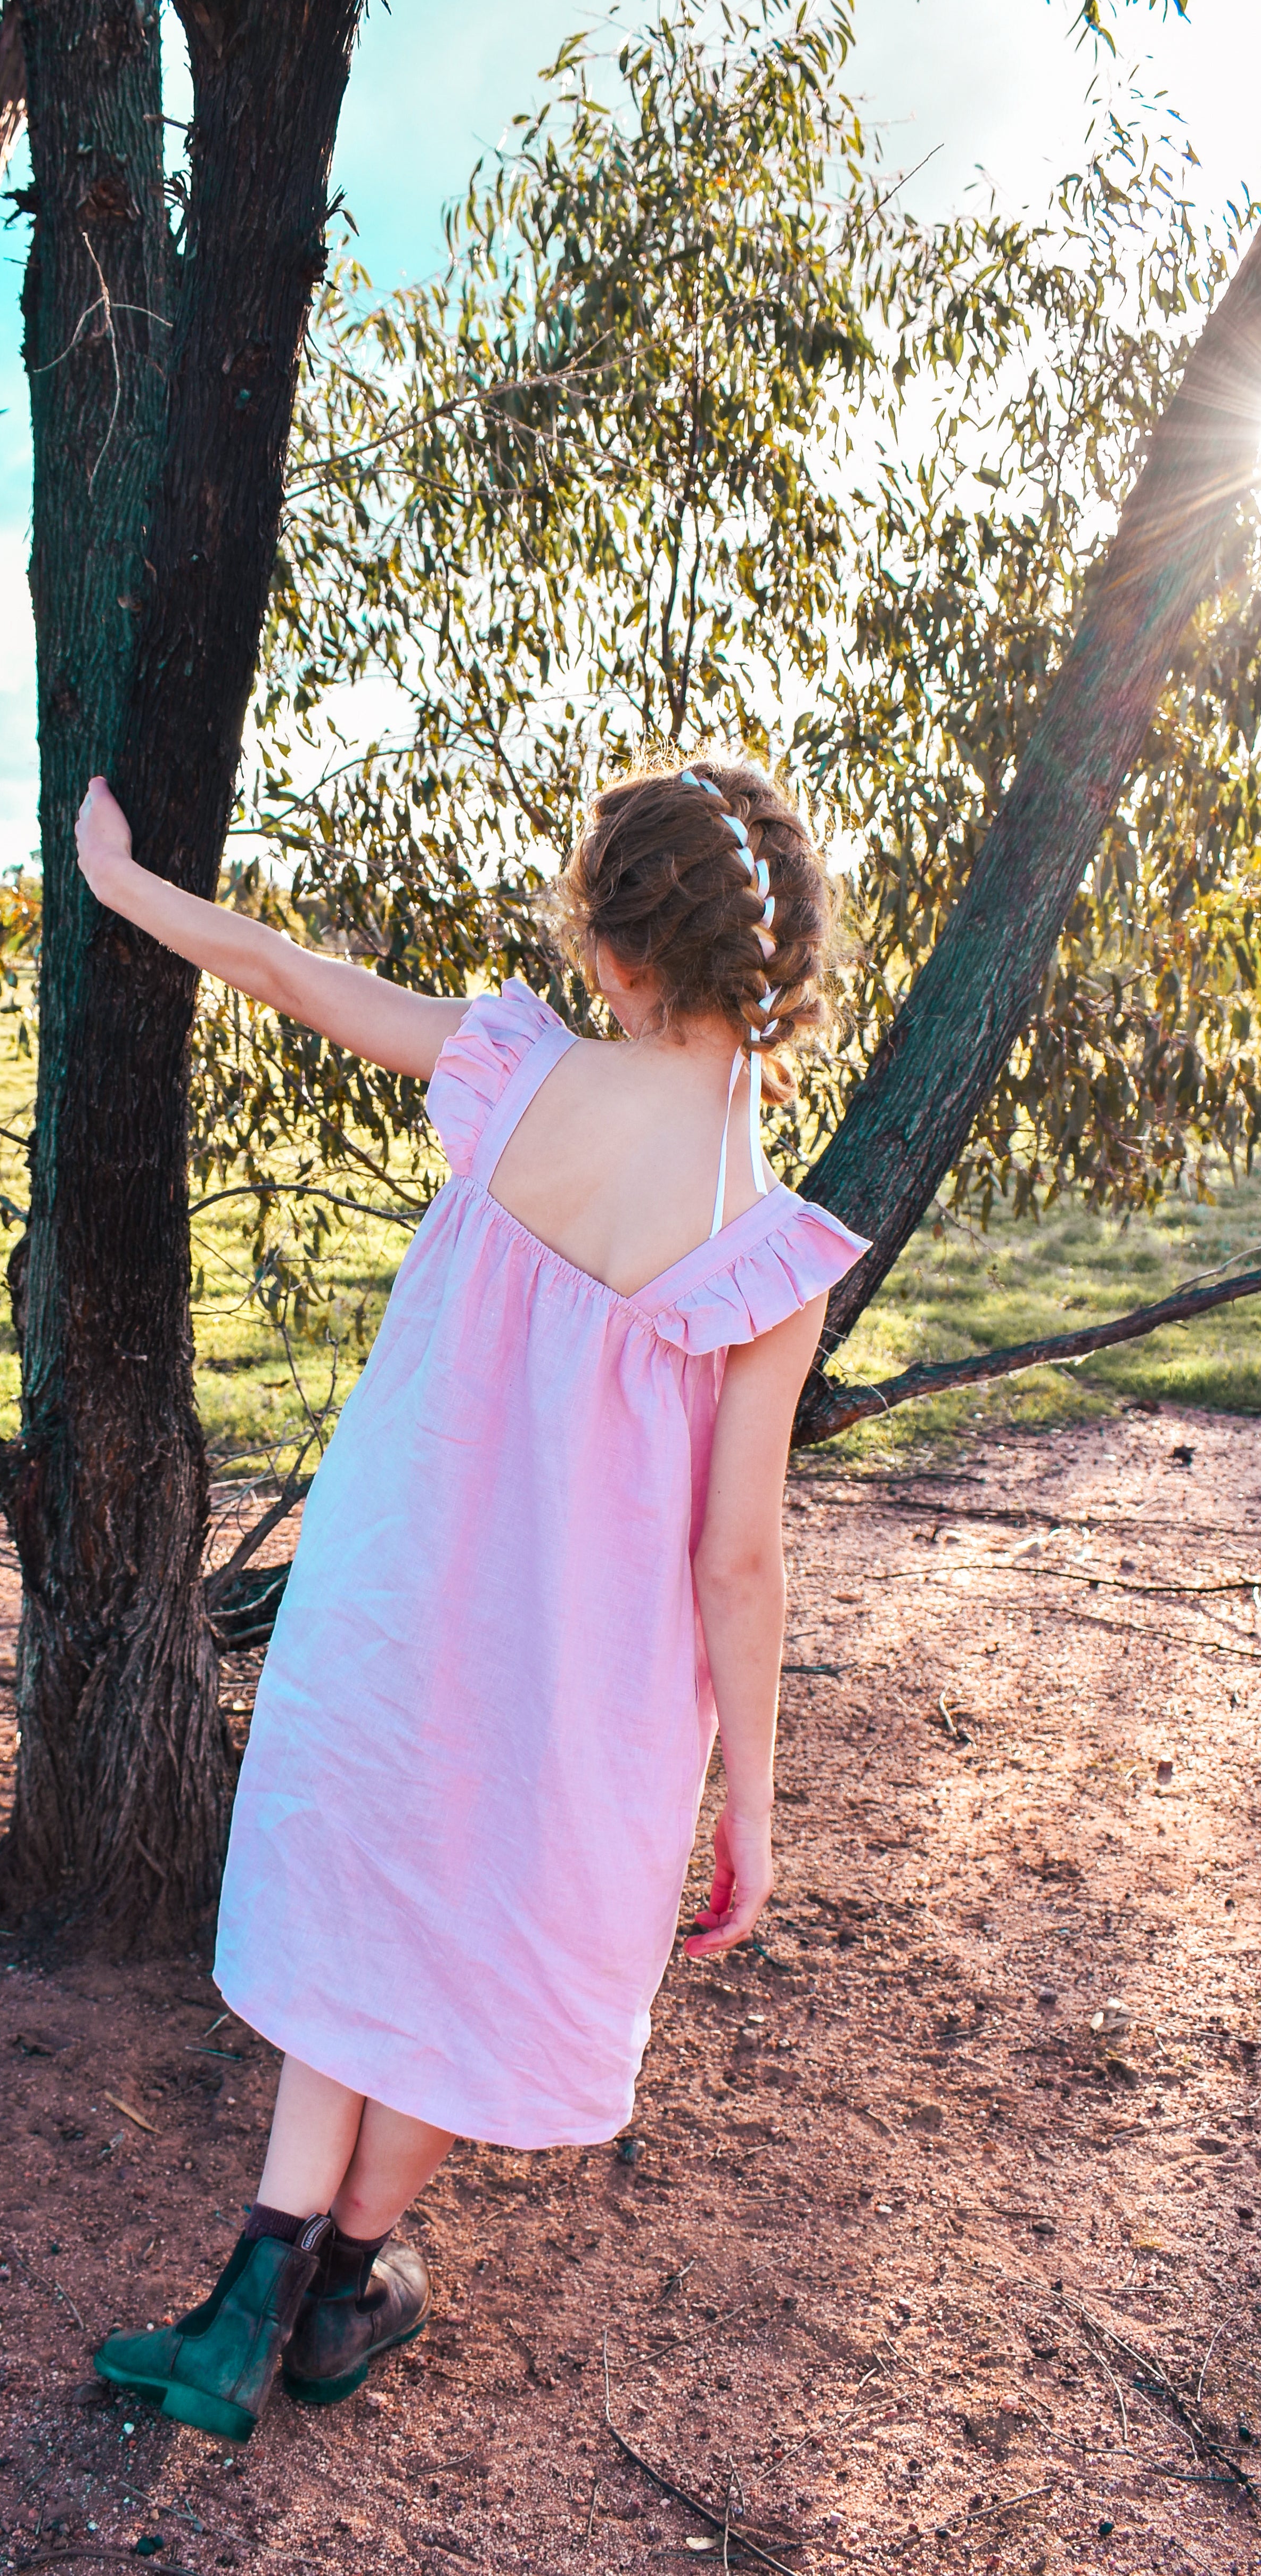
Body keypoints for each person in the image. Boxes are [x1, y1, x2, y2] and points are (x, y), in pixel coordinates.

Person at [75, 754, 867, 2444]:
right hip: (588, 1673)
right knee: (471, 1944)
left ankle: (256, 2308)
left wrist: (126, 887)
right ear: (774, 965)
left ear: (612, 953)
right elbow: (739, 1559)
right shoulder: (768, 1253)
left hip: (395, 1593)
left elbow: (288, 975)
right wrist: (757, 1803)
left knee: (370, 1912)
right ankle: (343, 2283)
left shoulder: (513, 1075)